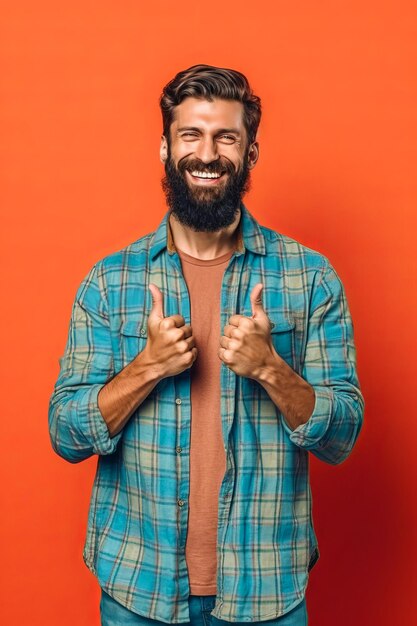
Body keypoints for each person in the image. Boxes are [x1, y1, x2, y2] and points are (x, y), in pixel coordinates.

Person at [48, 64, 364, 626]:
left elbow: (342, 437)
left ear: (251, 152)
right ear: (165, 148)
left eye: (226, 136)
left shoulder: (311, 279)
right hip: (137, 586)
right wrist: (147, 367)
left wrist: (271, 368)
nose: (208, 153)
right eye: (190, 134)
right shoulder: (109, 281)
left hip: (266, 589)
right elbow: (66, 433)